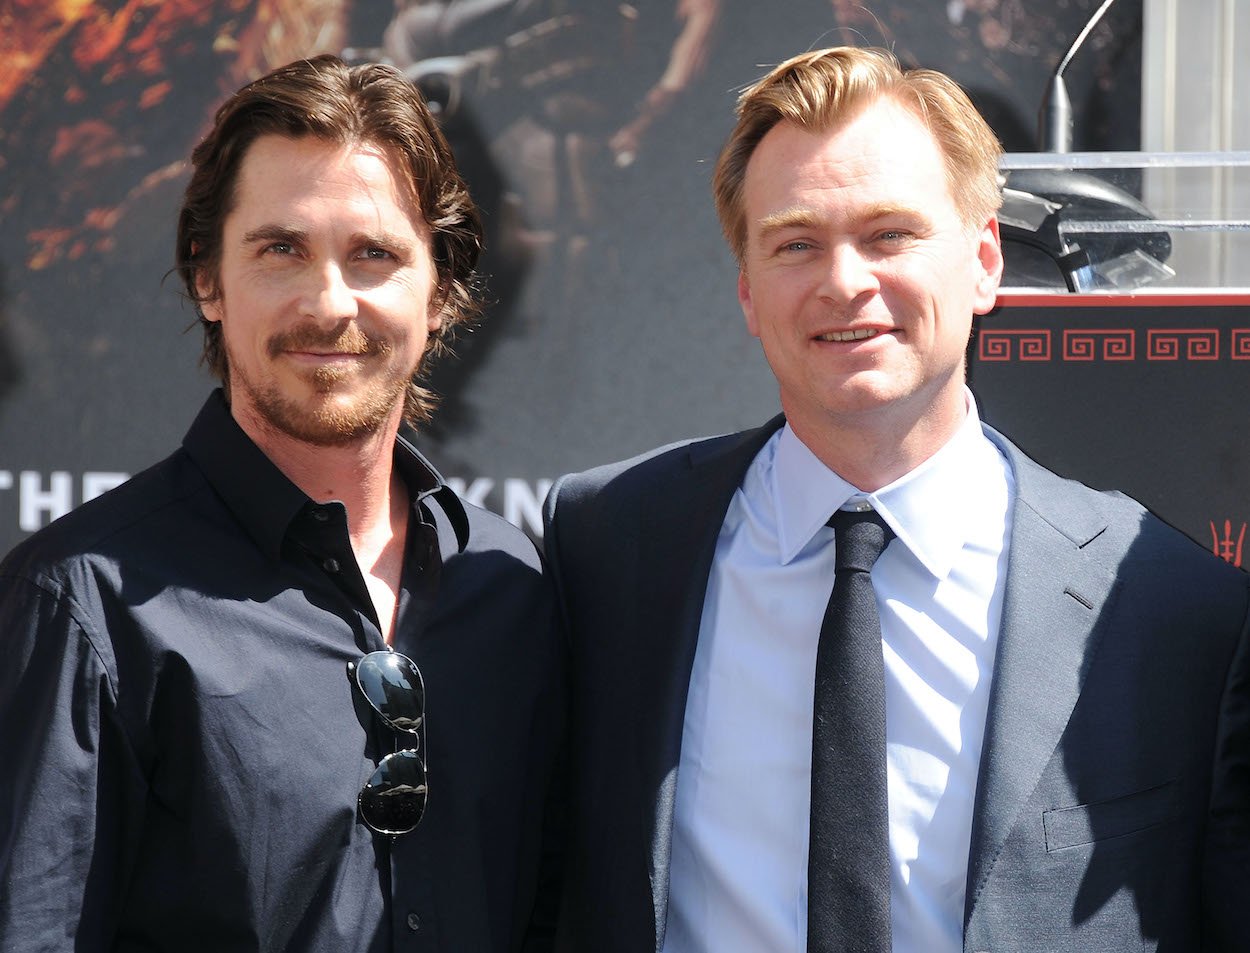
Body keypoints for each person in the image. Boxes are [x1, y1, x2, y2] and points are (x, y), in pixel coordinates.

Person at [542, 46, 1250, 952]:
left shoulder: (1170, 606)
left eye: (890, 234)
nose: (845, 281)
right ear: (749, 293)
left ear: (986, 260)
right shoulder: (610, 546)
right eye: (796, 242)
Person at [0, 55, 562, 952]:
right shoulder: (83, 604)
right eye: (281, 249)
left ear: (442, 292)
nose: (328, 303)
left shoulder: (515, 587)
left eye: (373, 254)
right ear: (208, 280)